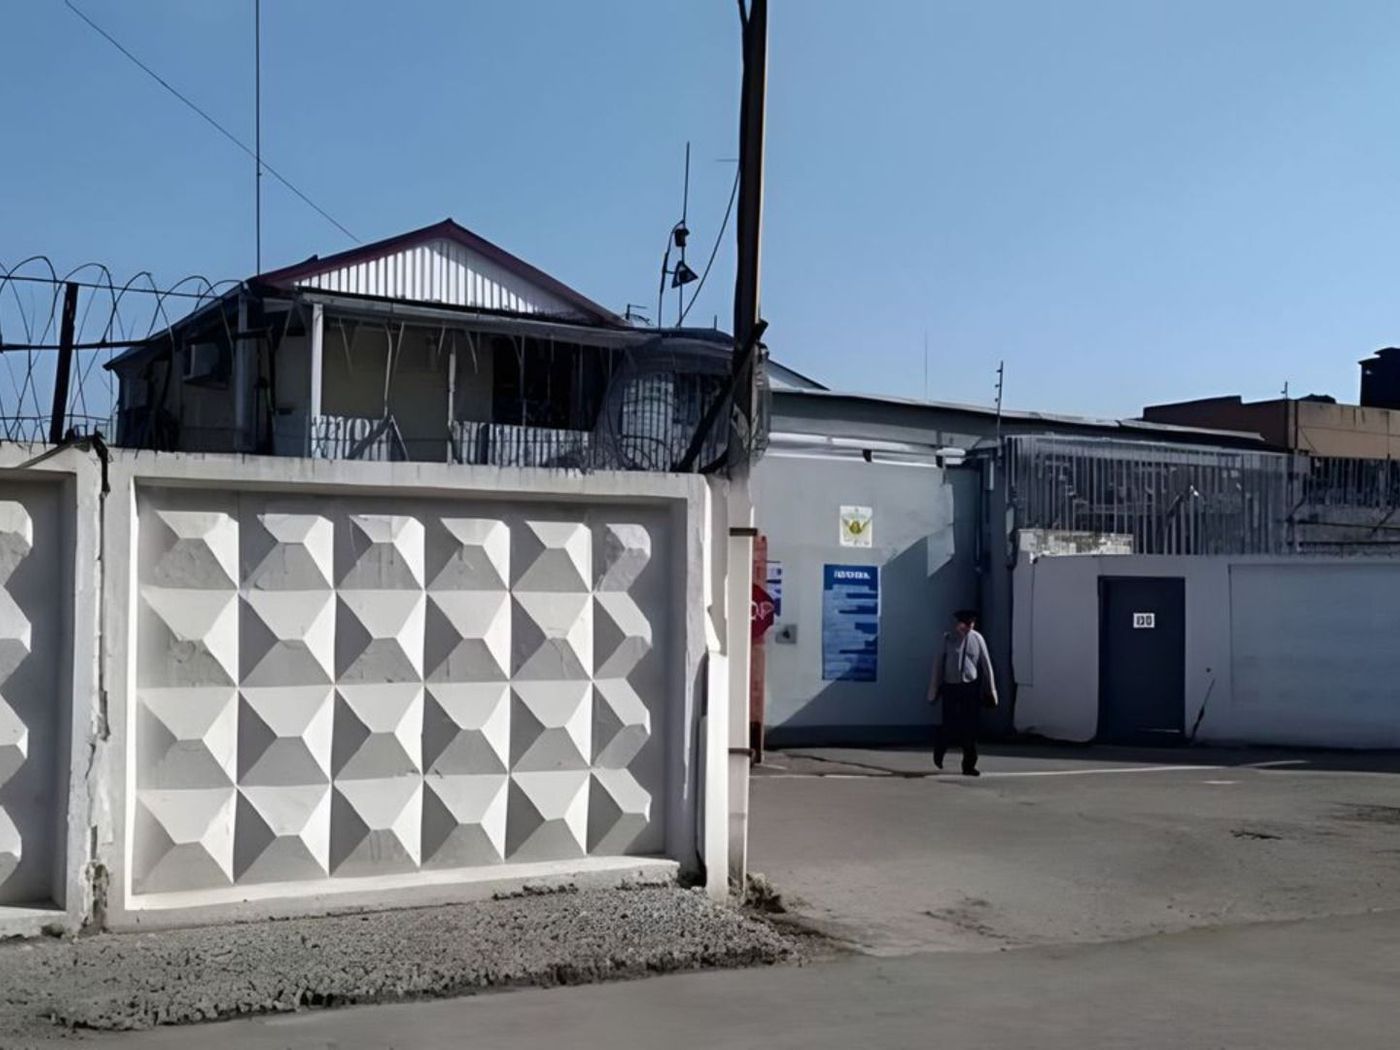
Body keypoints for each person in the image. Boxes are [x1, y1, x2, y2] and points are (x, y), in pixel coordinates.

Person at [928, 609, 998, 776]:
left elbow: (986, 665)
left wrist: (991, 690)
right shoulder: (947, 639)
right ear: (958, 624)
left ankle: (969, 765)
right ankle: (940, 749)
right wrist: (934, 689)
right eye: (964, 624)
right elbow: (938, 665)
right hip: (951, 686)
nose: (967, 627)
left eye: (970, 624)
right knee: (949, 723)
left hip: (970, 687)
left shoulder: (977, 638)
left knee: (970, 728)